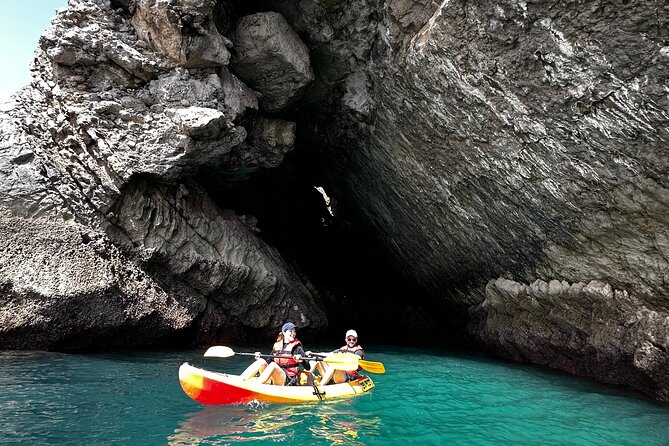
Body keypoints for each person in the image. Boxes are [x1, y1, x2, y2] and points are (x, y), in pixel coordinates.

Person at [240, 322, 307, 386]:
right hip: (275, 376)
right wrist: (258, 357)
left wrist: (301, 360)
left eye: (294, 331)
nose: (293, 333)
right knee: (261, 361)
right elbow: (268, 361)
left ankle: (256, 386)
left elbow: (307, 367)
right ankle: (240, 380)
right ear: (284, 332)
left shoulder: (297, 348)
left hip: (287, 379)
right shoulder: (277, 345)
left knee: (273, 365)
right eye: (291, 331)